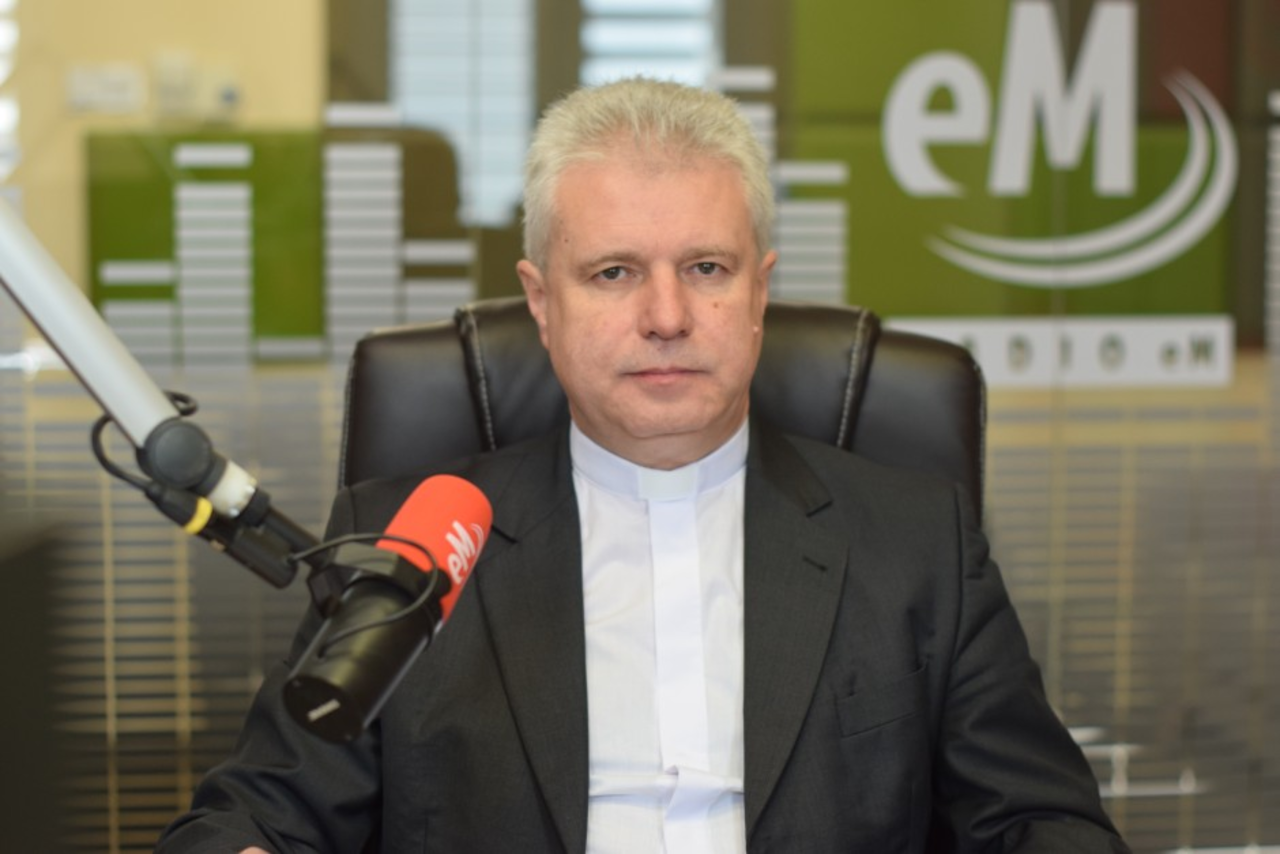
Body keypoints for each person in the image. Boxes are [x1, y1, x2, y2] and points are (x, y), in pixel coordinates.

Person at [156, 78, 1129, 853]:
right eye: (614, 272)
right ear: (541, 302)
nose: (666, 316)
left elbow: (1044, 822)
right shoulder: (413, 541)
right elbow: (255, 815)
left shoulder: (915, 544)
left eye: (705, 268)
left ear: (759, 292)